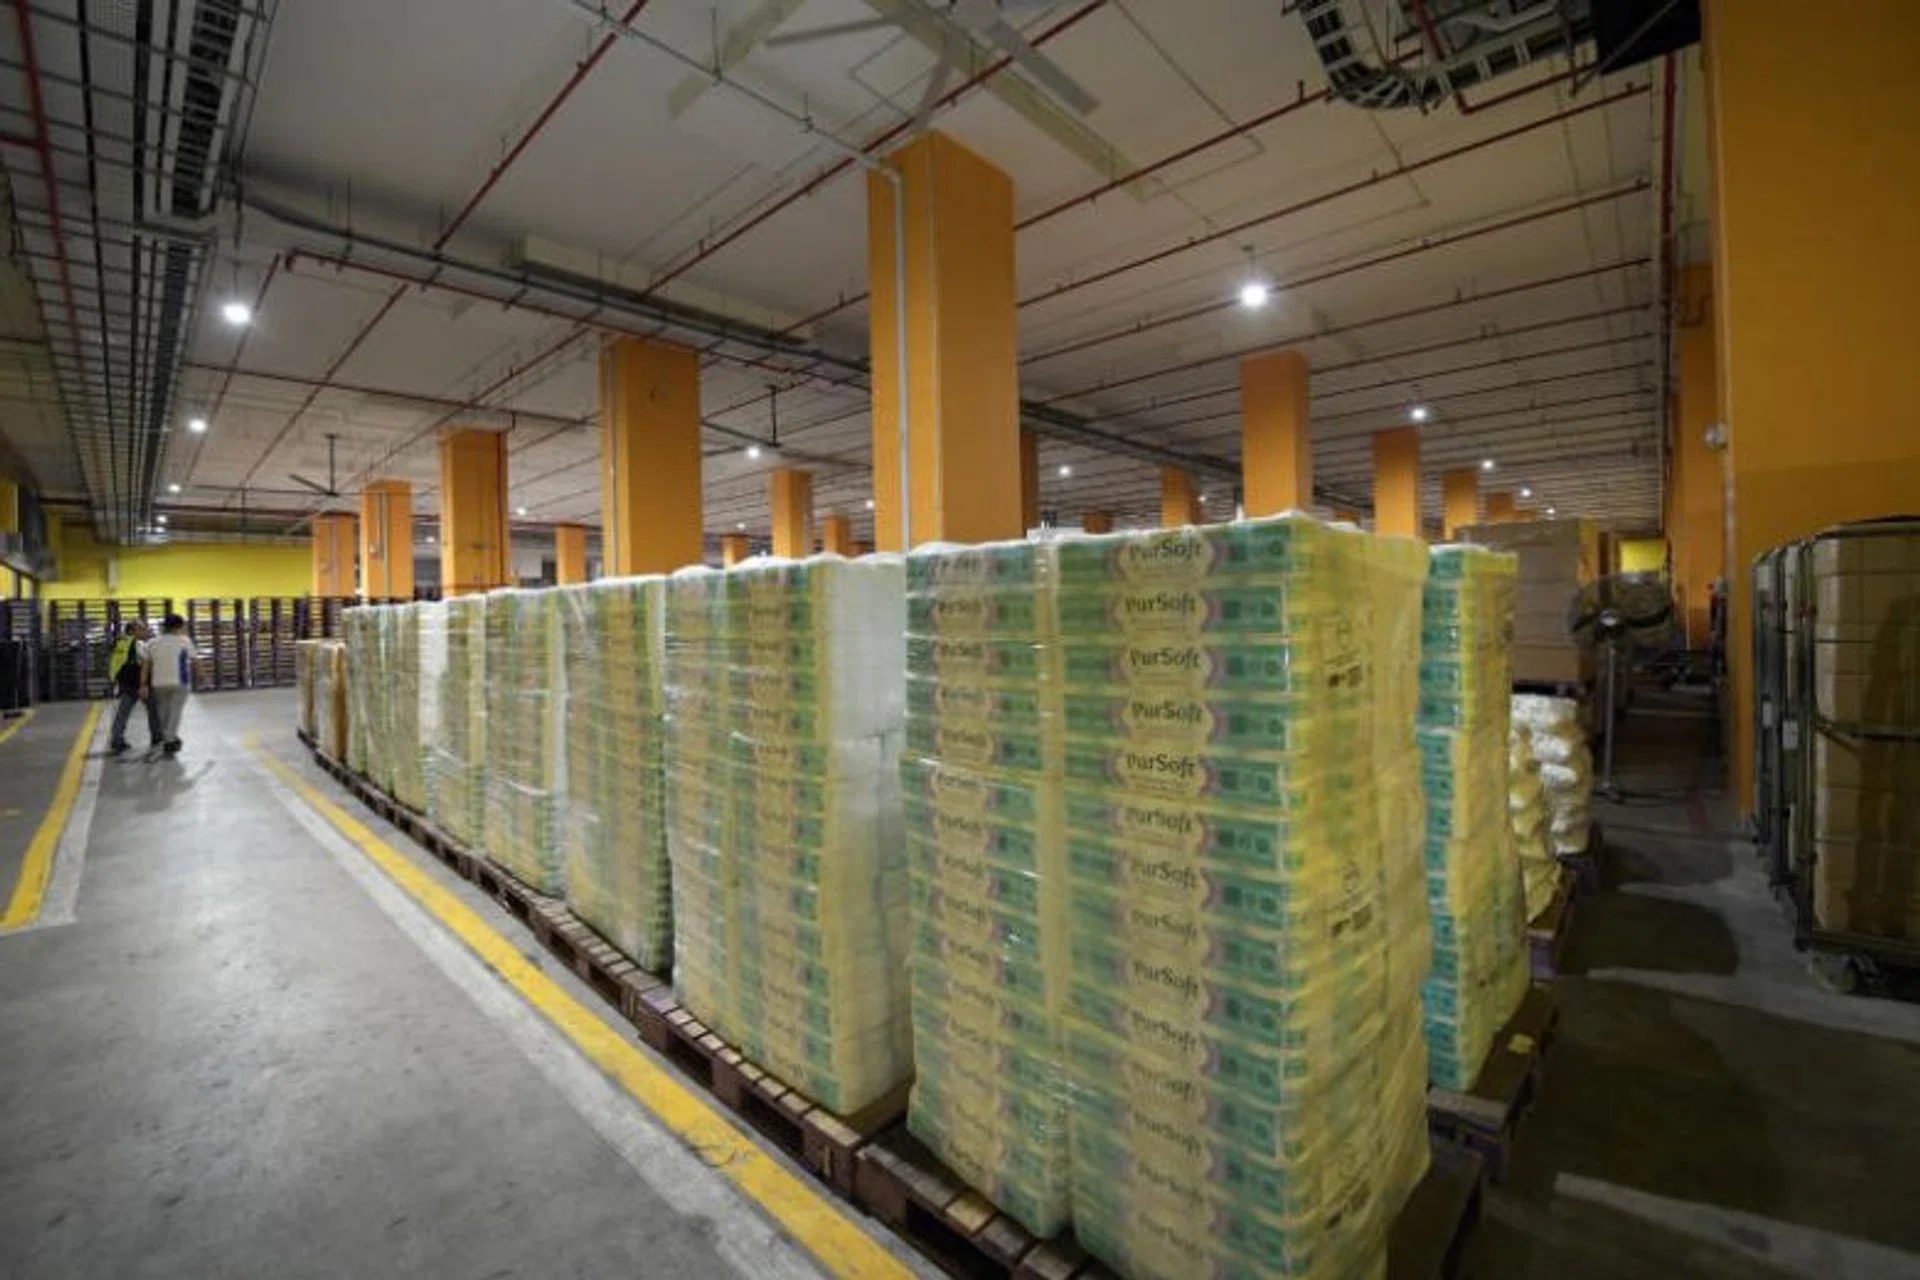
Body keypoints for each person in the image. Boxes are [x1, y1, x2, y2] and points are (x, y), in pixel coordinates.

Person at [141, 614, 198, 761]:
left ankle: (170, 739)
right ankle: (169, 740)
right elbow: (194, 660)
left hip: (158, 683)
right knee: (175, 712)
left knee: (164, 713)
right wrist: (203, 676)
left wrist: (143, 684)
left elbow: (146, 665)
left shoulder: (152, 642)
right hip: (180, 683)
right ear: (179, 626)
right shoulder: (184, 641)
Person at [106, 620, 161, 755]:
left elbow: (116, 664)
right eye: (141, 629)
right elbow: (146, 663)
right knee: (153, 711)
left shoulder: (120, 643)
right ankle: (157, 737)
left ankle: (117, 740)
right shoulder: (139, 644)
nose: (145, 631)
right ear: (132, 631)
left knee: (122, 713)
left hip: (126, 683)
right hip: (141, 684)